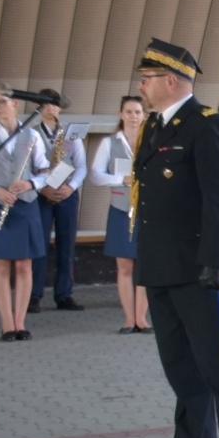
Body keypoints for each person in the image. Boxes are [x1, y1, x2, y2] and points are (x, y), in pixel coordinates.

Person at [133, 39, 219, 438]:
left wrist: (213, 261)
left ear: (171, 81)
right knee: (177, 359)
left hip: (197, 266)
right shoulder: (153, 127)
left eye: (147, 79)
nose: (141, 85)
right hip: (160, 263)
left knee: (216, 358)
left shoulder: (205, 126)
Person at [0, 86, 49, 341]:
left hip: (25, 205)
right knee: (1, 266)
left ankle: (21, 321)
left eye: (2, 102)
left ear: (15, 103)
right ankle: (7, 324)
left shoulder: (32, 135)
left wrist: (31, 184)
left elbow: (46, 170)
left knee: (25, 266)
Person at [89, 96, 149, 334]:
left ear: (144, 115)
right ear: (121, 114)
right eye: (129, 112)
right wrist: (121, 179)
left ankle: (142, 318)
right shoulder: (109, 142)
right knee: (124, 265)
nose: (134, 116)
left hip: (147, 209)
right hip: (121, 208)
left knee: (144, 264)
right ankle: (128, 318)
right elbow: (95, 175)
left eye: (138, 112)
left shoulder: (151, 141)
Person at [28, 89, 86, 312]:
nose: (51, 108)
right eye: (46, 104)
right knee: (38, 245)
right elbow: (28, 167)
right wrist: (43, 190)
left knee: (66, 245)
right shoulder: (31, 133)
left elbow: (81, 166)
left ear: (60, 108)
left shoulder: (71, 134)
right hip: (41, 194)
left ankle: (64, 294)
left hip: (67, 194)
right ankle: (34, 294)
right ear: (39, 108)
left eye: (54, 104)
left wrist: (70, 188)